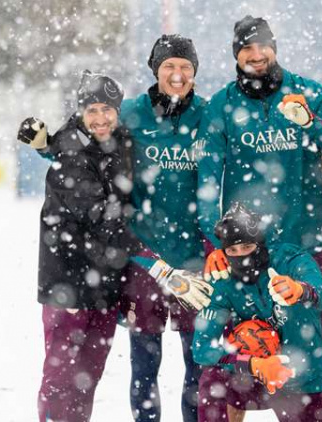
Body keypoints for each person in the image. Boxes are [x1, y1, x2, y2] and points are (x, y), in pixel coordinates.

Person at [20, 70, 212, 422]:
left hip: (106, 282)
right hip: (68, 283)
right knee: (62, 378)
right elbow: (104, 221)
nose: (100, 118)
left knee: (86, 378)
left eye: (107, 110)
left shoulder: (120, 140)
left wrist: (47, 144)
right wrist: (158, 265)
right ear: (79, 111)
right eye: (91, 110)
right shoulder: (71, 155)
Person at [195, 15, 322, 354]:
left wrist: (310, 122)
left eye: (263, 46)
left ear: (274, 48)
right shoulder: (221, 106)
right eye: (247, 48)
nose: (256, 54)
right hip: (245, 249)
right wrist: (217, 241)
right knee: (242, 348)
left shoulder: (309, 93)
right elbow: (207, 183)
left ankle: (315, 407)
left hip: (305, 242)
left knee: (313, 351)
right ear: (235, 54)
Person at [117, 34, 208, 422]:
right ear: (155, 70)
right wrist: (48, 145)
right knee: (144, 362)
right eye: (169, 66)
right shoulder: (131, 113)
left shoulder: (207, 113)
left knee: (198, 361)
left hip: (194, 258)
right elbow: (90, 133)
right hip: (145, 258)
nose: (177, 74)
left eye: (185, 67)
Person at [193, 203, 322, 422]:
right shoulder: (223, 280)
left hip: (302, 374)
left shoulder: (290, 259)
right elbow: (201, 348)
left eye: (247, 247)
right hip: (251, 375)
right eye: (233, 251)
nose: (241, 256)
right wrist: (252, 364)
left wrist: (300, 290)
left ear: (259, 243)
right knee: (212, 380)